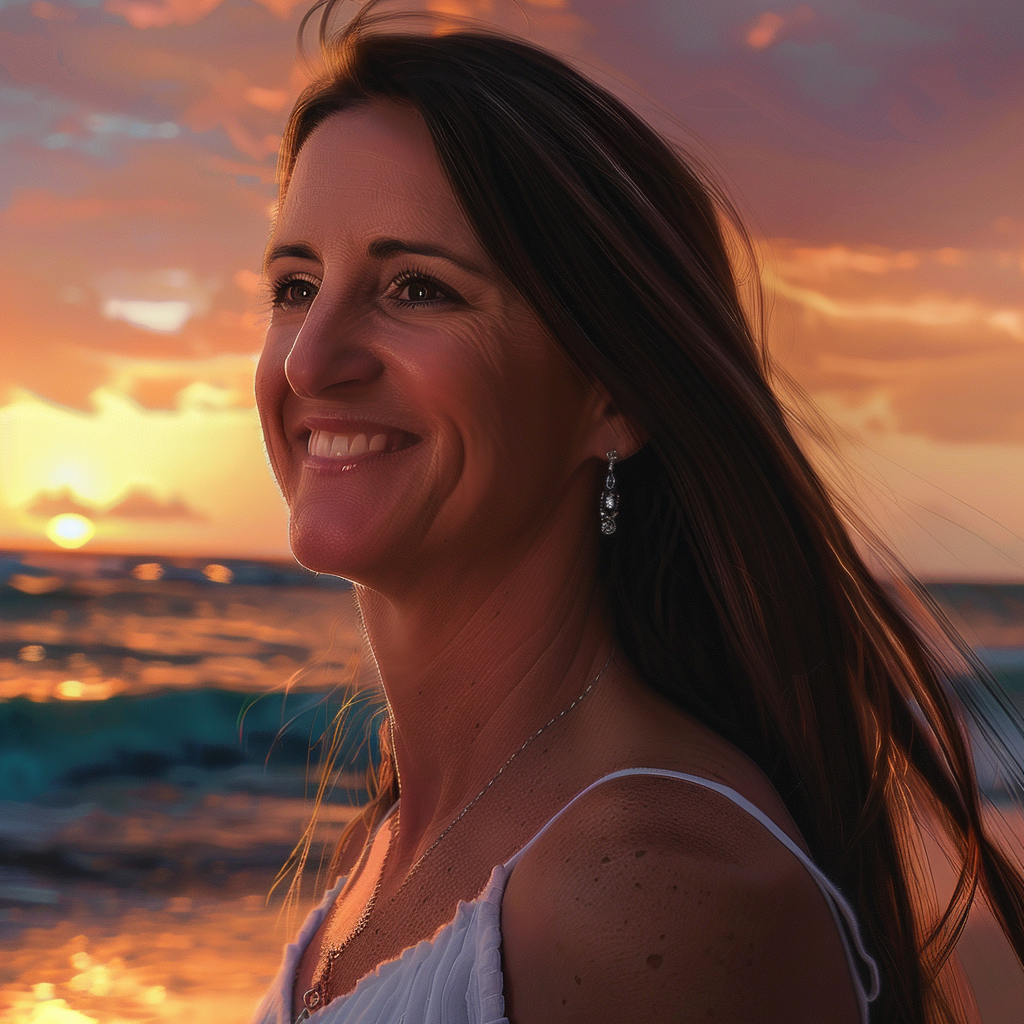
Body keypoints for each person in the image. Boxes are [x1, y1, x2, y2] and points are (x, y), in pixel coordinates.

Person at [250, 2, 1024, 1022]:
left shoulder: (649, 895)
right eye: (296, 285)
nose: (310, 360)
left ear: (613, 395)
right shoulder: (395, 837)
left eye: (417, 289)